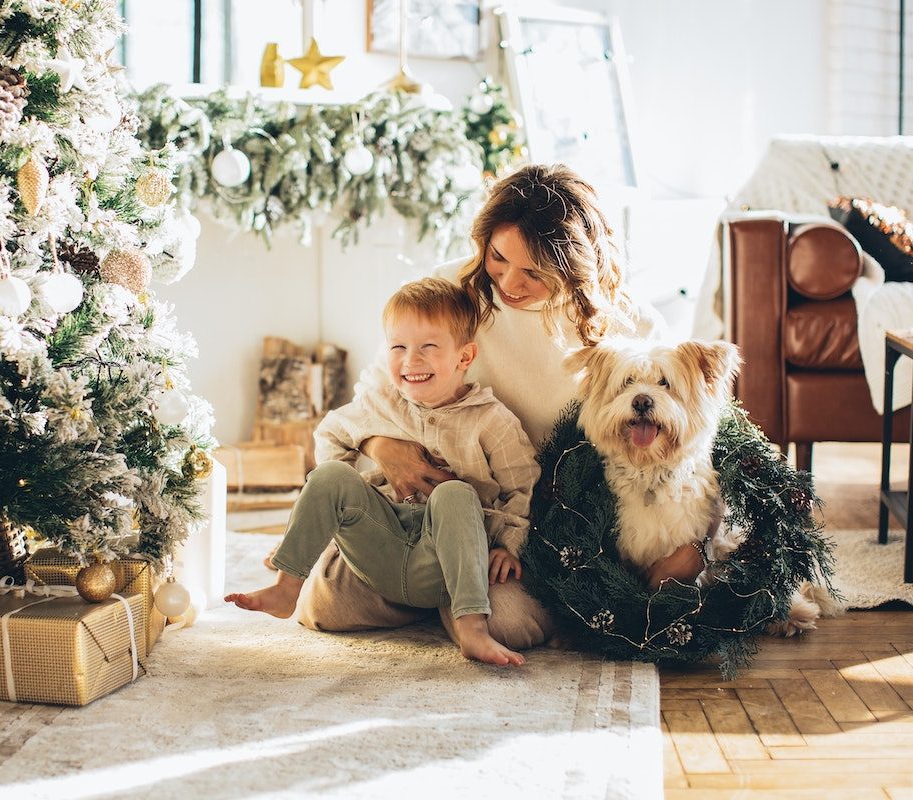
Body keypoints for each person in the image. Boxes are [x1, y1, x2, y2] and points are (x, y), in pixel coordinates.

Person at [292, 163, 705, 649]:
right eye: (498, 257)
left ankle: (450, 595)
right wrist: (382, 446)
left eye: (534, 271)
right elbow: (376, 391)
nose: (510, 281)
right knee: (322, 608)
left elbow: (687, 420)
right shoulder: (451, 289)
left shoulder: (625, 324)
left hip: (523, 522)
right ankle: (432, 585)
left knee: (510, 625)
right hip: (420, 510)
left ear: (576, 267)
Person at [227, 278, 541, 666]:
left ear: (464, 357)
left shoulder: (490, 420)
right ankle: (285, 586)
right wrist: (339, 499)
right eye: (398, 347)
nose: (411, 360)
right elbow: (330, 435)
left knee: (455, 494)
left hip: (447, 556)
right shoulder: (380, 404)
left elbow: (522, 484)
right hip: (384, 540)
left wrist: (508, 544)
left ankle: (471, 627)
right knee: (329, 478)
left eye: (428, 347)